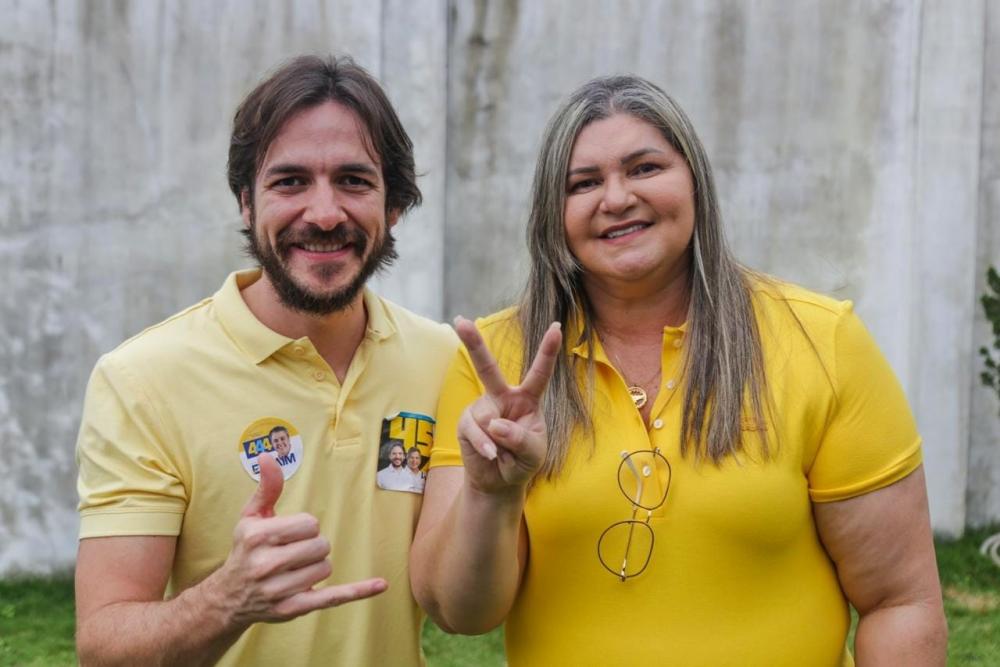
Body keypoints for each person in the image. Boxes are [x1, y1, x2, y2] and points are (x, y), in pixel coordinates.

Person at [410, 75, 947, 666]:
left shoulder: (822, 342)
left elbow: (899, 602)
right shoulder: (493, 367)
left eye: (644, 168)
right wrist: (492, 493)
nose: (616, 198)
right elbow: (460, 614)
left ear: (695, 180)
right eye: (583, 183)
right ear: (550, 214)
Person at [75, 55, 457, 667]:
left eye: (354, 181)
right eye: (290, 182)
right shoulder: (142, 379)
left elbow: (465, 605)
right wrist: (225, 600)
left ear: (394, 206)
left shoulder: (444, 361)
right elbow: (103, 647)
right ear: (246, 203)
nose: (325, 214)